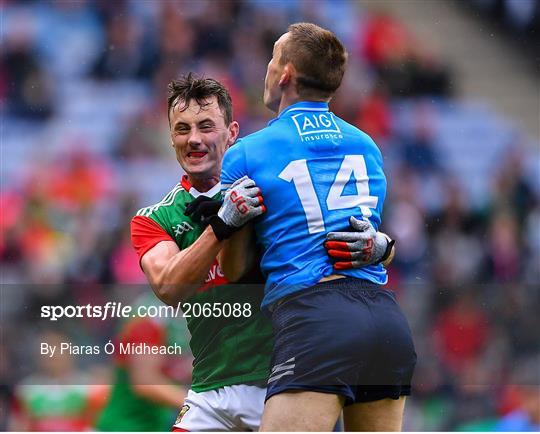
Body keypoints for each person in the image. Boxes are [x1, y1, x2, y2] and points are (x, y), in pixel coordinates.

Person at [130, 73, 394, 431]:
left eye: (206, 126)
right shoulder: (156, 217)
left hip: (285, 384)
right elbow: (168, 287)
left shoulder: (275, 187)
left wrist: (382, 248)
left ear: (232, 133)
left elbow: (342, 240)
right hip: (209, 390)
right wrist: (222, 225)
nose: (194, 139)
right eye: (182, 129)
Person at [215, 23, 416, 431]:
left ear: (285, 74)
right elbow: (372, 236)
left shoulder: (248, 152)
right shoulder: (365, 144)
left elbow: (234, 269)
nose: (267, 69)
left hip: (316, 319)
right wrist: (385, 248)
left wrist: (227, 224)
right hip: (385, 318)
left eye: (273, 58)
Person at [96, 294, 191, 431]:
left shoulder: (181, 316)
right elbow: (146, 383)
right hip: (126, 426)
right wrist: (199, 406)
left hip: (154, 425)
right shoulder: (149, 317)